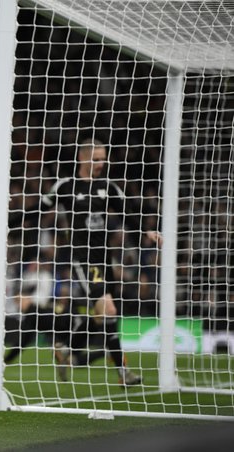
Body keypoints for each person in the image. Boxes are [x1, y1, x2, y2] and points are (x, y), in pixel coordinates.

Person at [42, 138, 162, 386]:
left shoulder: (108, 187)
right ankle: (123, 373)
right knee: (109, 311)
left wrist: (145, 233)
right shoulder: (66, 186)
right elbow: (37, 210)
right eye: (96, 159)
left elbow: (129, 213)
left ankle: (66, 349)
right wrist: (11, 221)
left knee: (103, 316)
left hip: (105, 259)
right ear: (82, 159)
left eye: (103, 158)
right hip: (82, 257)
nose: (101, 163)